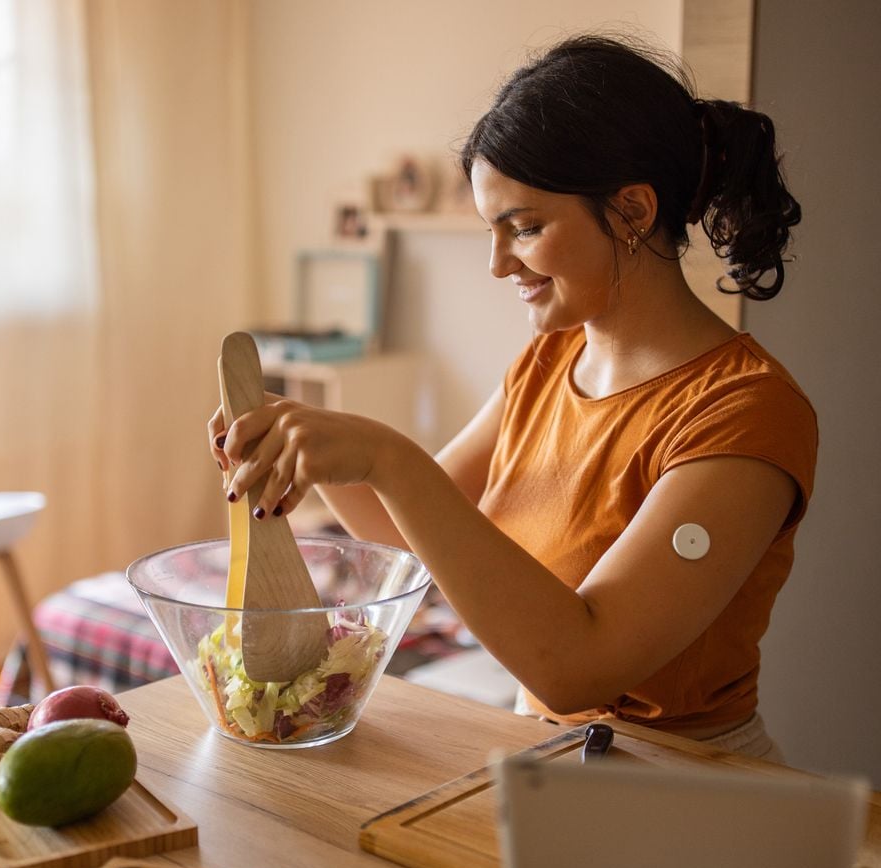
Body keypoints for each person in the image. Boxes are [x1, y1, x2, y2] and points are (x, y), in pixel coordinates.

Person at [209, 34, 811, 761]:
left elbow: (579, 665)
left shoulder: (747, 412)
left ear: (632, 211)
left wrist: (388, 456)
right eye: (492, 232)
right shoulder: (549, 363)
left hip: (688, 785)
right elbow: (412, 543)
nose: (498, 265)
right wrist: (318, 448)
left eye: (524, 229)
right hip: (545, 761)